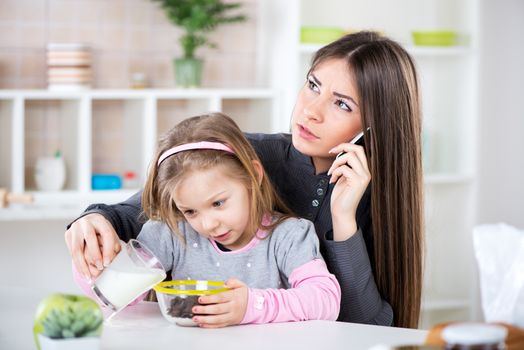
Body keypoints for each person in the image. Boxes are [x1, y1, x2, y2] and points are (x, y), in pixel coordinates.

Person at [65, 31, 424, 328]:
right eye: (313, 85)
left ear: (374, 126)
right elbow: (141, 211)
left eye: (342, 104)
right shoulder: (246, 154)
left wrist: (344, 220)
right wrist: (94, 218)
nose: (311, 111)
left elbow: (367, 327)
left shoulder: (377, 196)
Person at [73, 113, 341, 327]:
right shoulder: (171, 235)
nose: (207, 224)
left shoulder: (289, 237)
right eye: (190, 211)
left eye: (218, 203)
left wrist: (251, 305)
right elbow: (115, 299)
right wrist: (95, 263)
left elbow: (325, 299)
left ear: (253, 176)